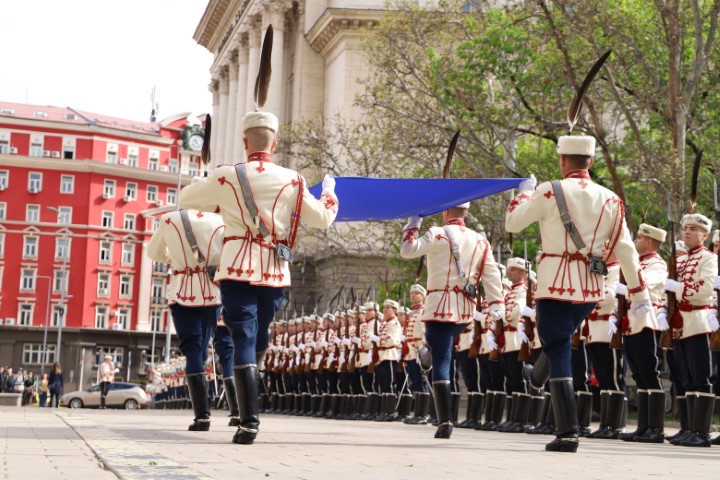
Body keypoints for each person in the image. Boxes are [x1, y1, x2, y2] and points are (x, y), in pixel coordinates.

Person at [178, 110, 338, 444]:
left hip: (236, 267)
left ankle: (248, 421)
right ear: (274, 142)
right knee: (257, 335)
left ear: (244, 141)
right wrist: (330, 194)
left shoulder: (225, 176)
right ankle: (250, 402)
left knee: (245, 338)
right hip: (274, 271)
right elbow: (322, 218)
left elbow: (186, 200)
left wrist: (207, 184)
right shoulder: (292, 178)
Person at [505, 134, 652, 453]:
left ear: (562, 160)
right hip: (591, 288)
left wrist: (523, 193)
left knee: (557, 346)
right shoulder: (612, 199)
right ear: (592, 162)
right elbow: (626, 249)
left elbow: (513, 224)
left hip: (555, 284)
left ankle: (568, 431)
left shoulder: (549, 190)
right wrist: (640, 294)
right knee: (558, 339)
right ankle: (539, 376)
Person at [401, 202, 505, 439]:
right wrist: (496, 303)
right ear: (466, 213)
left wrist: (413, 225)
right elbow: (491, 273)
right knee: (445, 352)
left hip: (438, 307)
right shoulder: (480, 239)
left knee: (441, 361)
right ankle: (444, 415)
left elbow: (408, 250)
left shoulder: (437, 233)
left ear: (446, 212)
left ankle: (445, 421)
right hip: (463, 310)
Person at [147, 207, 225, 430]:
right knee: (201, 350)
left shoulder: (170, 219)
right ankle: (204, 411)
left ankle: (202, 417)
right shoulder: (221, 219)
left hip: (182, 293)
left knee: (192, 351)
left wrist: (177, 260)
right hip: (212, 294)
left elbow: (153, 252)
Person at [663, 213, 718, 447]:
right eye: (685, 229)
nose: (687, 232)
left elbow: (705, 289)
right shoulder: (682, 260)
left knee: (700, 377)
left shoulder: (709, 258)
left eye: (694, 229)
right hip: (681, 324)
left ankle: (701, 432)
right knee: (685, 378)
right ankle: (688, 429)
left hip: (698, 320)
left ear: (704, 235)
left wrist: (679, 288)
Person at [615, 223, 668, 443]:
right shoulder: (636, 263)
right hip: (632, 321)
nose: (635, 241)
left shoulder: (655, 263)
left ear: (648, 242)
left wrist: (623, 289)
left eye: (638, 238)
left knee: (648, 371)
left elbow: (645, 284)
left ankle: (655, 429)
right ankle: (643, 427)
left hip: (646, 321)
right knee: (638, 373)